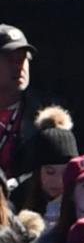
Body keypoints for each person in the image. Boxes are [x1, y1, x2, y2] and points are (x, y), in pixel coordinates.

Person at [0, 29, 53, 192]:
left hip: (28, 206)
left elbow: (58, 169)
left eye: (23, 58)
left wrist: (17, 183)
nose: (19, 66)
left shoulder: (48, 113)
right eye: (11, 59)